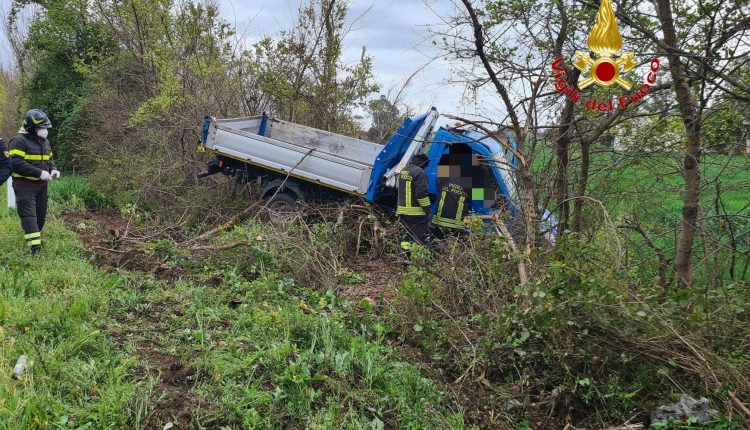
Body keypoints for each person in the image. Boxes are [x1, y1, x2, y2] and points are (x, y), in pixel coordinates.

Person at [9, 109, 60, 255]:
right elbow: (16, 163)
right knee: (29, 216)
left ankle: (35, 239)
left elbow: (49, 160)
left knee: (40, 216)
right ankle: (35, 249)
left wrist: (53, 169)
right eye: (40, 128)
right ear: (31, 128)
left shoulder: (45, 142)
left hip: (42, 187)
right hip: (24, 186)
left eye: (45, 127)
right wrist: (39, 173)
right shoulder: (19, 141)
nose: (44, 131)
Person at [396, 154, 433, 245]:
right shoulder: (419, 172)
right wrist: (428, 210)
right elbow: (421, 194)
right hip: (416, 212)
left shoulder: (404, 170)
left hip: (402, 210)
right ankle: (414, 252)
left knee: (406, 236)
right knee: (418, 238)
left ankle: (404, 251)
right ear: (423, 163)